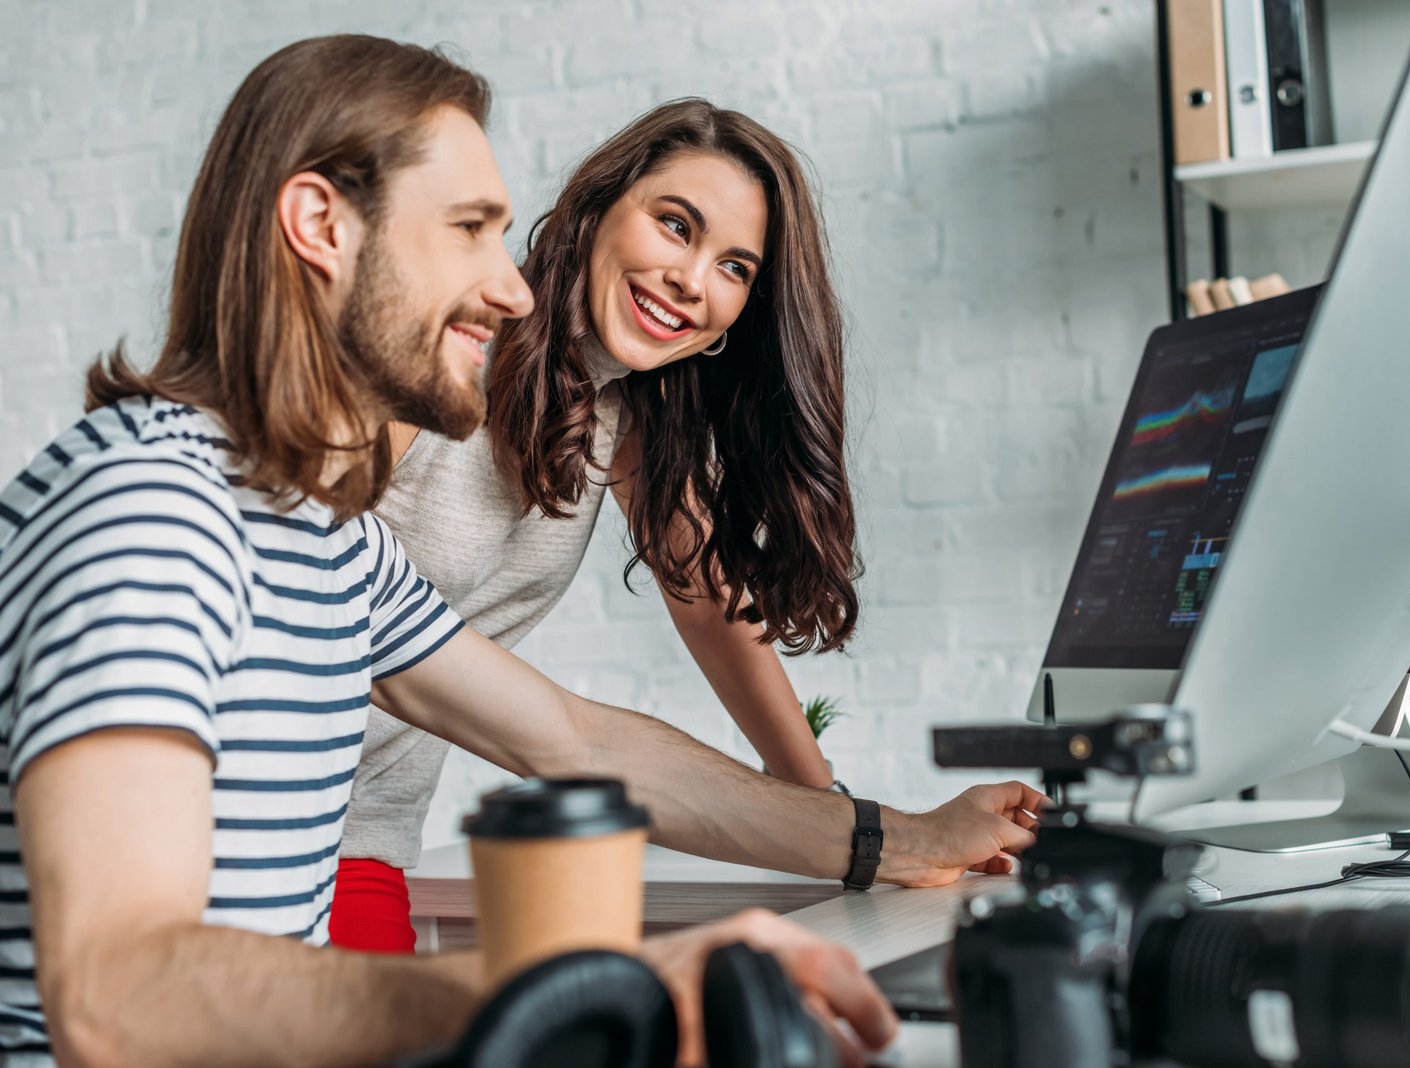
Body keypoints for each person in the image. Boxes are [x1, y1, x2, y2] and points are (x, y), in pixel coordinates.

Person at [0, 35, 1046, 1068]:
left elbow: (580, 745)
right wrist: (597, 987)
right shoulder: (154, 511)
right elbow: (119, 997)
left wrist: (893, 838)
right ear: (319, 224)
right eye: (468, 231)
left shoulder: (327, 546)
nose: (510, 290)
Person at [334, 99, 871, 952]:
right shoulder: (444, 351)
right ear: (595, 211)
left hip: (363, 839)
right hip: (238, 820)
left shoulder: (624, 417)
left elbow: (714, 611)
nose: (692, 279)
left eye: (735, 267)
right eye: (674, 225)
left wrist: (843, 834)